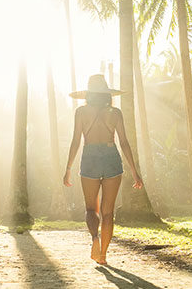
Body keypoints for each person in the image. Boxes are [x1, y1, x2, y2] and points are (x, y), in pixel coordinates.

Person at [62, 73, 144, 265]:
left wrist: (68, 168)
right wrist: (134, 171)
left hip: (89, 157)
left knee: (91, 208)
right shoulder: (115, 113)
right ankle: (104, 256)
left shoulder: (81, 112)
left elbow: (75, 141)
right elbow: (124, 142)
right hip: (111, 157)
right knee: (108, 212)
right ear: (107, 93)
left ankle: (95, 239)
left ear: (89, 93)